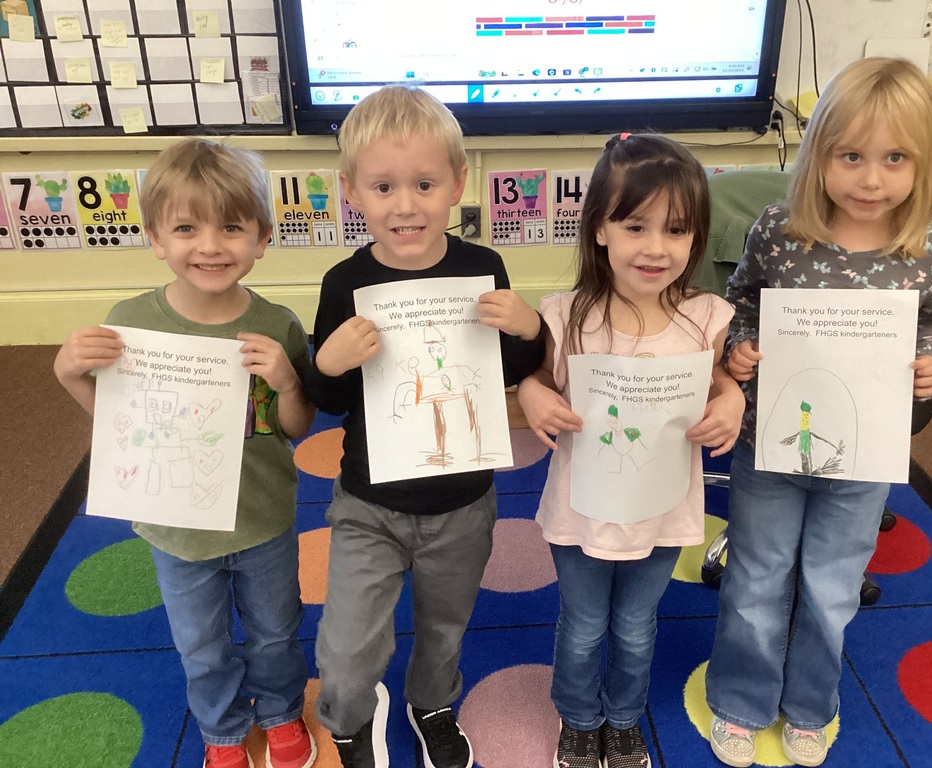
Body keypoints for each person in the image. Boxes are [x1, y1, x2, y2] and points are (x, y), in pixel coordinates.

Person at [703, 57, 932, 768]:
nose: (871, 179)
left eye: (895, 159)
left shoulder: (929, 248)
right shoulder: (783, 229)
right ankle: (739, 699)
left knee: (831, 585)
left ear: (922, 164)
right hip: (771, 443)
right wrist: (741, 346)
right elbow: (743, 302)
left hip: (863, 452)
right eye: (851, 156)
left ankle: (813, 703)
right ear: (820, 153)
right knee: (757, 576)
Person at [52, 138, 318, 768]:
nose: (209, 245)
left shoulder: (278, 324)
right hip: (176, 527)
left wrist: (285, 382)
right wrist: (68, 375)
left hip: (261, 517)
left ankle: (280, 714)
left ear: (261, 238)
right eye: (185, 227)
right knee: (201, 644)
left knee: (277, 629)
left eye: (231, 227)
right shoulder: (130, 321)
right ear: (155, 238)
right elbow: (122, 426)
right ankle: (223, 733)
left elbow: (298, 426)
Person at [305, 84, 545, 768]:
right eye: (383, 186)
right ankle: (353, 715)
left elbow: (512, 365)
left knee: (444, 627)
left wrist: (529, 329)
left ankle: (431, 703)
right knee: (349, 648)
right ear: (351, 191)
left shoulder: (482, 267)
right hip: (370, 502)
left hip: (461, 500)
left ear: (457, 185)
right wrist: (328, 358)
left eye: (424, 184)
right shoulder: (343, 282)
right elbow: (326, 396)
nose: (405, 205)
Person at [515, 133, 745, 768]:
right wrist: (532, 396)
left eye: (676, 230)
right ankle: (580, 719)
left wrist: (732, 401)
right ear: (599, 230)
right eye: (635, 225)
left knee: (637, 628)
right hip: (581, 509)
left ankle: (622, 718)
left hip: (662, 509)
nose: (655, 247)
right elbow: (535, 381)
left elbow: (721, 380)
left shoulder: (707, 317)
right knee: (584, 626)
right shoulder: (568, 316)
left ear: (696, 239)